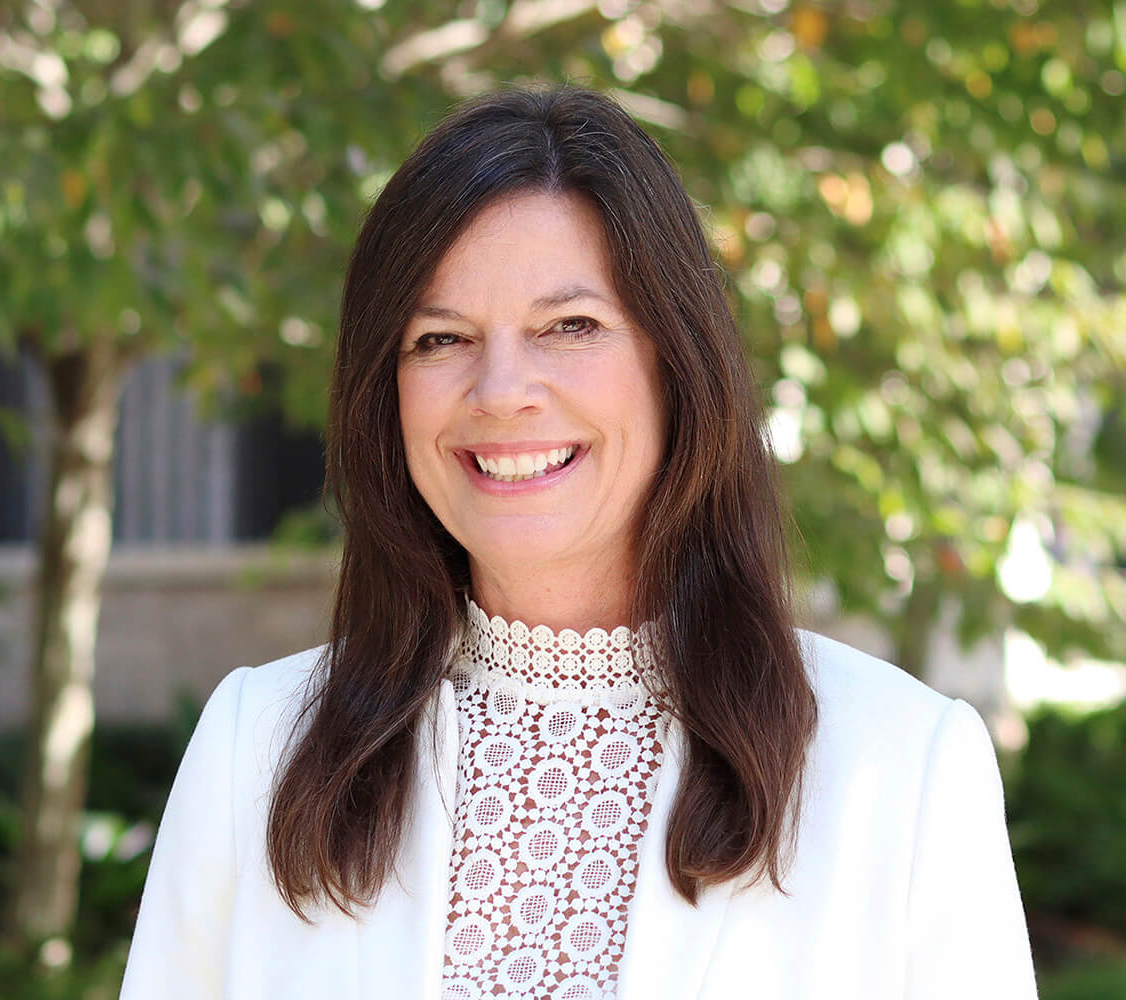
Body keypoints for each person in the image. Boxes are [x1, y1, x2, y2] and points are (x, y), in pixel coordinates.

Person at [120, 87, 1037, 1000]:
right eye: (440, 338)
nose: (502, 390)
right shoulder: (258, 750)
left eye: (570, 327)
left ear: (675, 365)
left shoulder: (901, 769)